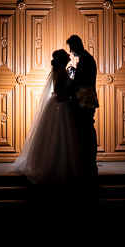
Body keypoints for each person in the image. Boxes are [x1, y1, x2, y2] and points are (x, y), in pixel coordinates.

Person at [13, 49, 81, 185]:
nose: (69, 58)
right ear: (63, 59)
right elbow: (61, 89)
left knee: (54, 134)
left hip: (56, 103)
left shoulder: (57, 71)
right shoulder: (62, 72)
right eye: (67, 57)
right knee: (61, 134)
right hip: (61, 104)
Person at [66, 34, 98, 179]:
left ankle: (90, 162)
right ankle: (88, 162)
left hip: (86, 100)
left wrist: (73, 75)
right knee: (86, 129)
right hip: (85, 99)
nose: (72, 52)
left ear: (77, 45)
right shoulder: (85, 58)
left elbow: (82, 80)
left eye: (72, 49)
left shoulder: (86, 59)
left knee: (87, 130)